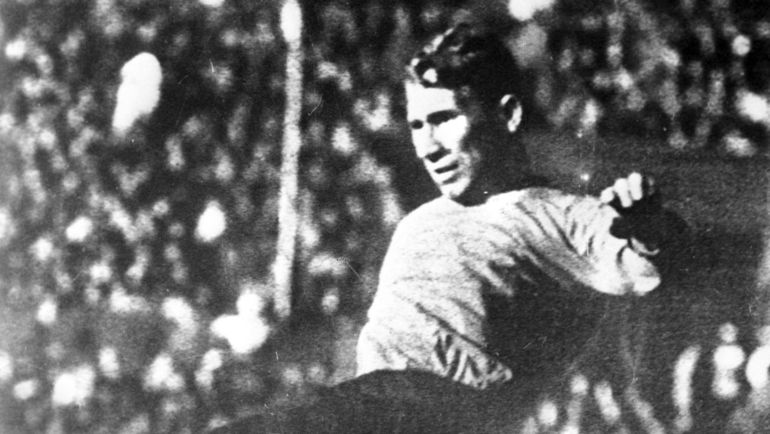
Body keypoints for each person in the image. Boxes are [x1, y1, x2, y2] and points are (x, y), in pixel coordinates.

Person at [355, 23, 685, 393]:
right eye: (417, 126)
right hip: (363, 401)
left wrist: (648, 228)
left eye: (444, 119)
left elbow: (645, 262)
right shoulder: (416, 222)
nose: (427, 148)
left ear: (507, 115)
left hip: (438, 407)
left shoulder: (555, 213)